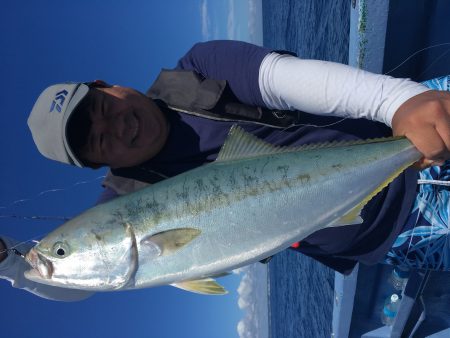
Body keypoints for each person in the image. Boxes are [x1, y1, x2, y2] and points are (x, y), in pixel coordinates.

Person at [1, 40, 450, 301]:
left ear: (107, 86)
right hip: (402, 239)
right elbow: (73, 287)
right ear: (100, 163)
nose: (116, 125)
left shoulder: (201, 72)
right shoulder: (121, 205)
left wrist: (399, 103)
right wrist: (11, 265)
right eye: (98, 140)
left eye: (101, 107)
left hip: (417, 127)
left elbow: (300, 81)